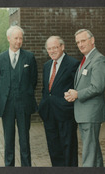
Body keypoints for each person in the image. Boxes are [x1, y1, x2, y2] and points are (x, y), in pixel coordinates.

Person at [0, 25, 37, 166]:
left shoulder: (29, 57)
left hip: (24, 105)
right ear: (9, 38)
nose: (19, 41)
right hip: (7, 105)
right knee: (8, 140)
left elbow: (33, 80)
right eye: (16, 38)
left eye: (21, 38)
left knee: (25, 140)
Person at [64, 29, 105, 167]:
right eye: (78, 42)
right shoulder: (86, 59)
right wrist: (73, 93)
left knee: (89, 154)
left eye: (83, 41)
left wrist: (78, 94)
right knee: (94, 151)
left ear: (92, 40)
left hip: (91, 114)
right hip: (84, 113)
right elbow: (84, 84)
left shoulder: (98, 59)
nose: (80, 44)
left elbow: (98, 87)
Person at [38, 36, 80, 166]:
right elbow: (46, 89)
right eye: (49, 49)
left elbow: (77, 89)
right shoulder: (47, 65)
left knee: (69, 149)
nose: (52, 51)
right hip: (49, 114)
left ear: (62, 47)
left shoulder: (73, 64)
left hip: (66, 115)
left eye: (55, 47)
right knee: (54, 149)